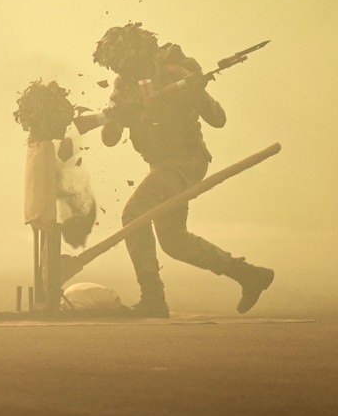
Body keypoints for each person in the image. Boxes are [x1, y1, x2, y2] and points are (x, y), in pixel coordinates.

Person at [92, 22, 274, 317]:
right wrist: (119, 115)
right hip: (160, 166)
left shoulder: (177, 69)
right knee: (174, 241)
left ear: (140, 55)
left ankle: (153, 300)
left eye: (126, 65)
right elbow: (109, 139)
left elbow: (218, 119)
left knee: (133, 214)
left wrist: (195, 91)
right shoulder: (123, 86)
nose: (123, 73)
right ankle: (249, 275)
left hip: (186, 161)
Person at [13, 80, 75, 313]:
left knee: (44, 225)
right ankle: (47, 290)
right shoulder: (40, 148)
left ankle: (47, 289)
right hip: (41, 213)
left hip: (41, 212)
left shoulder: (41, 146)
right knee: (44, 224)